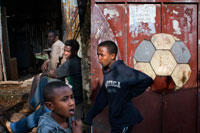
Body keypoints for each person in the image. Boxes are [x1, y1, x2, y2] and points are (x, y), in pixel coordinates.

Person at [1, 39, 83, 132]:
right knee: (46, 81)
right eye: (65, 51)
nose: (65, 53)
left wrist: (44, 74)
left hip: (74, 99)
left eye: (68, 51)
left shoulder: (71, 63)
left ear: (75, 52)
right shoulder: (77, 61)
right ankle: (33, 106)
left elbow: (53, 73)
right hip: (71, 95)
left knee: (44, 81)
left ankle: (15, 127)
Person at [84, 40, 153, 133]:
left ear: (112, 56)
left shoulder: (123, 71)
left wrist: (129, 93)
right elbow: (102, 98)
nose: (99, 58)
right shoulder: (108, 74)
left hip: (125, 119)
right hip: (115, 120)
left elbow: (147, 80)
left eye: (102, 55)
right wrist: (90, 116)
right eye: (98, 55)